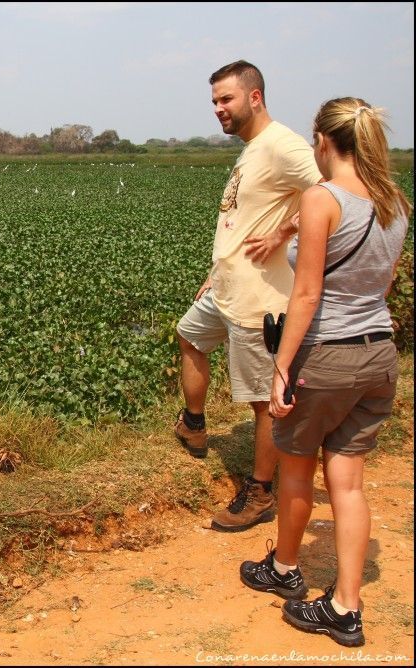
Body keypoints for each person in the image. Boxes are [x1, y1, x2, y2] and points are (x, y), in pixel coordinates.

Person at [239, 98, 409, 647]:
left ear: (323, 141)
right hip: (379, 354)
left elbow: (308, 293)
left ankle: (285, 569)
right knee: (349, 482)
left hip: (326, 355)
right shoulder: (394, 203)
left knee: (296, 469)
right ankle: (345, 606)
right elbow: (380, 289)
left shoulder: (322, 199)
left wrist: (282, 366)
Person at [173, 60, 322, 531]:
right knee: (189, 336)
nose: (218, 109)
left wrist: (285, 230)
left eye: (226, 99)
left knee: (263, 400)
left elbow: (333, 192)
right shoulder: (252, 148)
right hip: (227, 287)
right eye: (215, 100)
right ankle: (193, 425)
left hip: (261, 300)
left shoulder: (283, 145)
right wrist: (217, 272)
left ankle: (260, 493)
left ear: (254, 97)